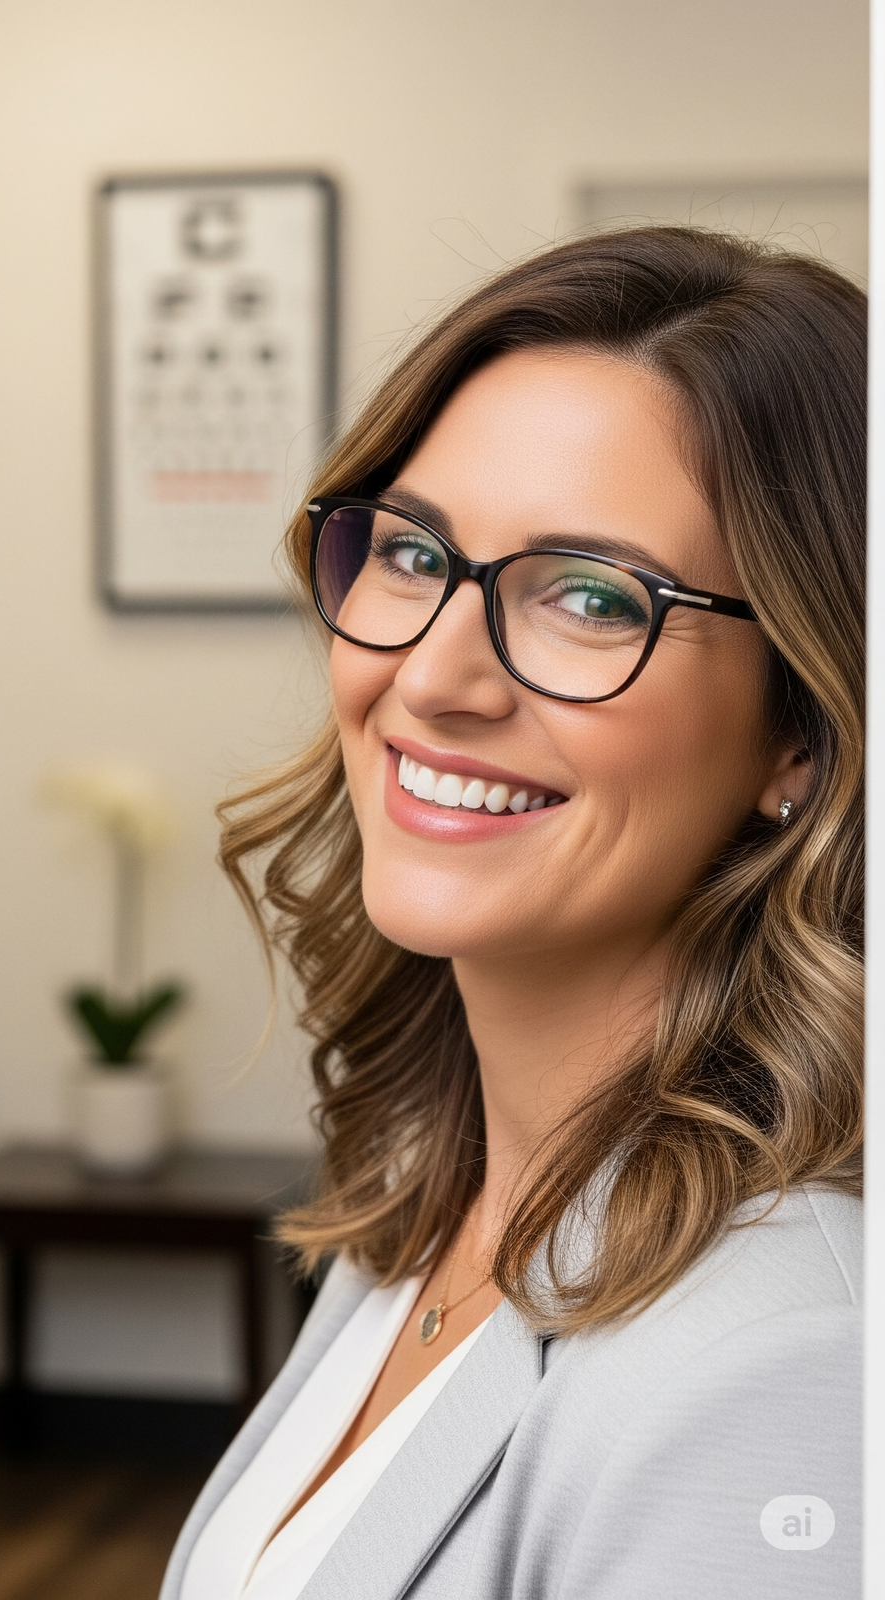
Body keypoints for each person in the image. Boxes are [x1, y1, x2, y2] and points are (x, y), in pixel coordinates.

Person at [166, 228, 862, 1599]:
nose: (434, 679)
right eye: (416, 554)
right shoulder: (447, 1199)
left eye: (593, 596)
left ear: (802, 735)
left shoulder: (788, 1369)